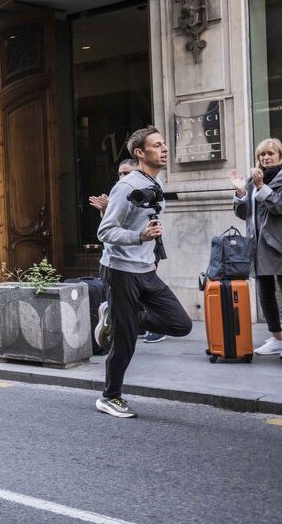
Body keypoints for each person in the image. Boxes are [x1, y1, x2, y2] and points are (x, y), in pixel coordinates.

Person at [94, 126, 192, 418]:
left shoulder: (153, 183)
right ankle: (110, 397)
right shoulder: (127, 186)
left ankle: (118, 316)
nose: (164, 149)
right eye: (157, 145)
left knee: (180, 324)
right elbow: (105, 231)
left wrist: (150, 254)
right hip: (121, 270)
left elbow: (146, 224)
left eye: (164, 144)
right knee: (125, 340)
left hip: (145, 270)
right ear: (140, 153)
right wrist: (139, 238)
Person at [90, 160, 166, 344]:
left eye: (126, 173)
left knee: (144, 294)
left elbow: (143, 220)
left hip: (145, 251)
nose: (122, 177)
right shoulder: (121, 189)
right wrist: (105, 209)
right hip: (120, 256)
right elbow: (110, 229)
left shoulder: (148, 187)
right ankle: (121, 319)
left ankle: (125, 319)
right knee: (132, 295)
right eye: (120, 174)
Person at [232, 137, 282, 359]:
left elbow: (279, 207)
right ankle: (277, 337)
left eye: (271, 153)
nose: (266, 157)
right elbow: (244, 214)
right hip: (258, 245)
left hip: (278, 244)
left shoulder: (270, 181)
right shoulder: (251, 181)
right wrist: (242, 193)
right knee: (265, 292)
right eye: (262, 154)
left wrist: (262, 187)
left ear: (279, 155)